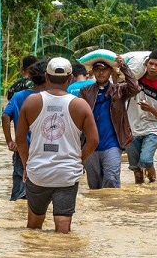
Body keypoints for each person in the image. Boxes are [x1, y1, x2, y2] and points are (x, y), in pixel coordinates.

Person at [15, 57, 98, 233]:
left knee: (33, 225)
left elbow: (20, 139)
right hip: (67, 174)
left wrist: (26, 164)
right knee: (63, 227)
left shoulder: (31, 102)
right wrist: (79, 161)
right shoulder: (80, 105)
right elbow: (93, 141)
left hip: (38, 172)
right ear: (70, 79)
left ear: (46, 76)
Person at [78, 54, 140, 189]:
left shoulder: (119, 90)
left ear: (111, 71)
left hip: (112, 143)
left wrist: (124, 67)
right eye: (97, 69)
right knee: (94, 185)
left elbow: (135, 88)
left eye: (104, 69)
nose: (101, 72)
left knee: (111, 180)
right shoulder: (84, 91)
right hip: (90, 145)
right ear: (92, 72)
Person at [1, 59, 47, 201]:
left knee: (20, 192)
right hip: (45, 151)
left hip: (22, 149)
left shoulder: (18, 96)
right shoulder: (52, 97)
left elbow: (5, 116)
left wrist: (9, 141)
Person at [126, 50, 157, 184]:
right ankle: (141, 195)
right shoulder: (136, 79)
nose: (153, 67)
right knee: (135, 168)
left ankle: (152, 184)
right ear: (146, 63)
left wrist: (151, 109)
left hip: (152, 129)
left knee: (146, 161)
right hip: (132, 127)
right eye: (151, 64)